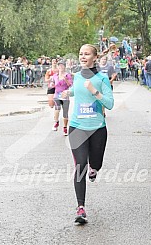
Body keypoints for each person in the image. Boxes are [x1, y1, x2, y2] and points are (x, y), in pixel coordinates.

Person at [62, 44, 114, 224]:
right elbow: (76, 91)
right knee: (80, 165)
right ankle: (80, 208)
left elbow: (110, 103)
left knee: (95, 163)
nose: (82, 56)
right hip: (77, 127)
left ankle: (95, 169)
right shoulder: (76, 77)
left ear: (94, 57)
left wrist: (94, 91)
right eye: (80, 54)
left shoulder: (102, 78)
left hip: (98, 128)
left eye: (86, 54)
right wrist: (67, 92)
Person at [51, 60, 73, 136]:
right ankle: (56, 122)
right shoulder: (55, 76)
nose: (60, 67)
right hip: (57, 94)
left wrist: (65, 79)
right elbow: (52, 83)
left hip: (64, 95)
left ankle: (65, 127)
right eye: (59, 66)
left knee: (65, 112)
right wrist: (52, 85)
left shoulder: (68, 75)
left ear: (64, 67)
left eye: (62, 66)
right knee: (57, 108)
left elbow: (70, 85)